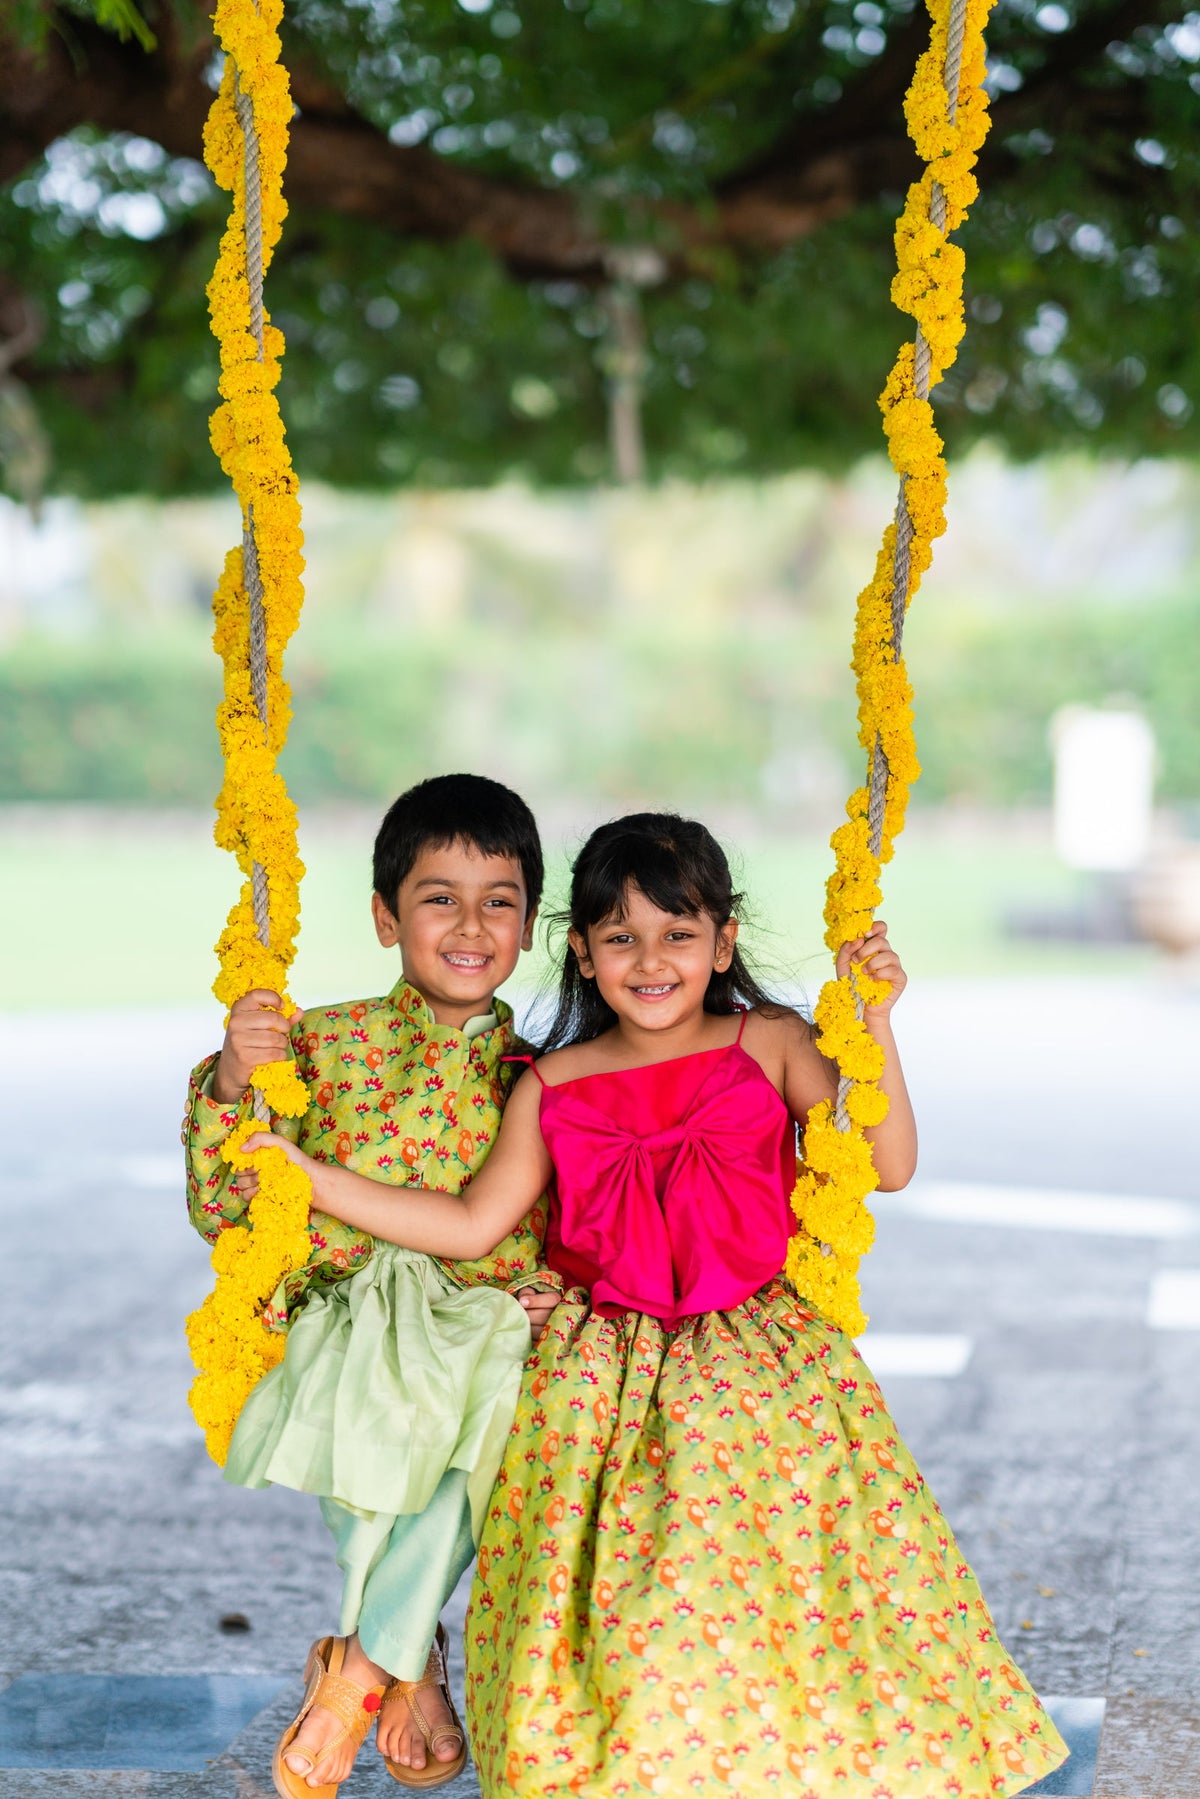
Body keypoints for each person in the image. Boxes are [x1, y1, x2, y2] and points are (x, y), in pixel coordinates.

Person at [245, 811, 1069, 1798]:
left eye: (678, 932)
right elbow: (470, 1221)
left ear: (723, 940)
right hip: (602, 1372)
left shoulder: (771, 1042)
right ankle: (602, 1759)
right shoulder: (553, 1081)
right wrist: (310, 1177)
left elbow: (885, 1162)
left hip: (758, 1361)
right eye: (620, 935)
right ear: (583, 953)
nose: (652, 957)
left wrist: (877, 1022)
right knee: (620, 1604)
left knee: (755, 1588)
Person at [183, 773, 564, 1796]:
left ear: (531, 923)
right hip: (345, 1305)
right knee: (383, 1413)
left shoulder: (545, 1071)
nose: (471, 923)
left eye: (500, 899)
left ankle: (360, 1666)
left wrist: (553, 1289)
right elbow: (226, 1201)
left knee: (497, 1407)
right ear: (386, 914)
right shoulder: (320, 1041)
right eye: (440, 896)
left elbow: (572, 1216)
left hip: (484, 1317)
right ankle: (409, 1661)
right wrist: (231, 1076)